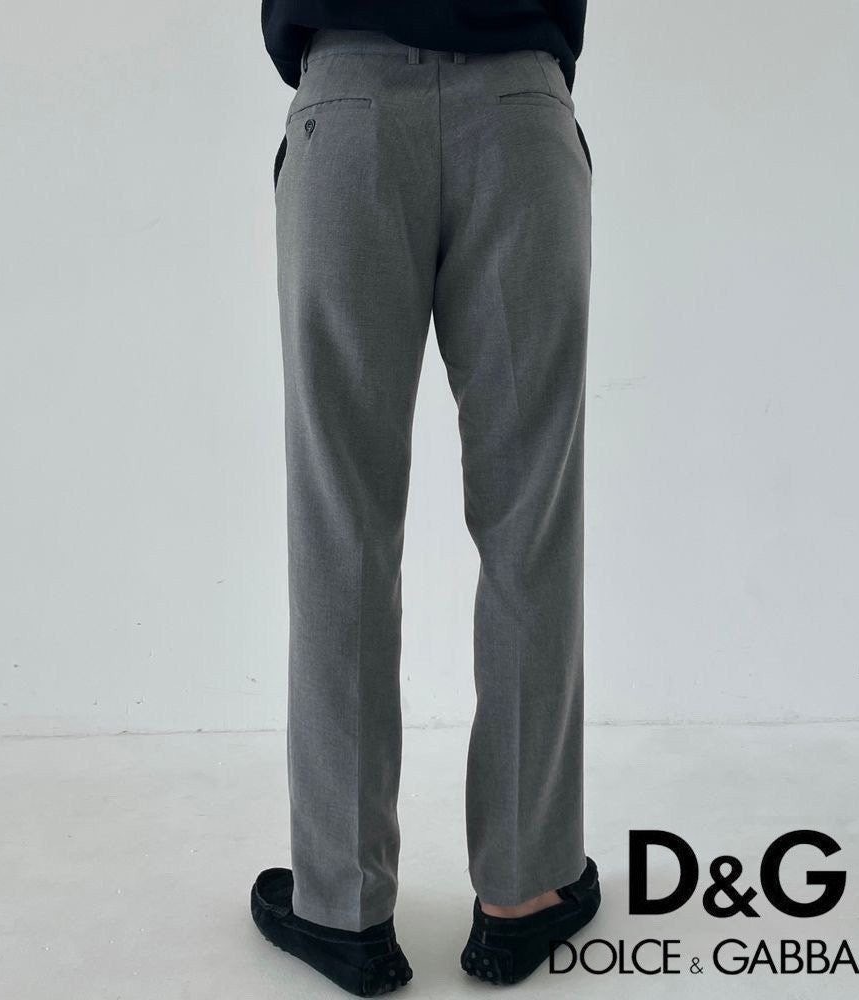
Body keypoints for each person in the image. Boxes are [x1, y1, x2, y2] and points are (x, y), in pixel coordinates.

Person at [250, 3, 600, 993]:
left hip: (349, 103)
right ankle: (526, 889)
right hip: (520, 105)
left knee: (341, 524)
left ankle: (342, 908)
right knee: (531, 518)